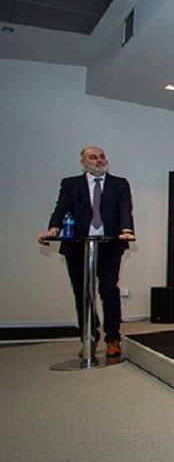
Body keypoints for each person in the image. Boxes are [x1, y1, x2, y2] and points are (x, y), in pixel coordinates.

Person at [38, 146, 136, 358]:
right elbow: (61, 208)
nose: (99, 161)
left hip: (109, 245)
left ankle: (113, 338)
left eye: (102, 157)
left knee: (109, 289)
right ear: (83, 162)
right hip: (77, 245)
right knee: (82, 293)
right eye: (93, 157)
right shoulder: (71, 184)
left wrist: (127, 230)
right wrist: (53, 229)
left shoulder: (119, 184)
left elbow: (125, 208)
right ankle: (89, 338)